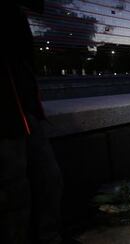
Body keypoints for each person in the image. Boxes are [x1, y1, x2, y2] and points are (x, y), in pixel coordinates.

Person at [0, 1, 66, 243]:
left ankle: (49, 237)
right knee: (14, 194)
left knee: (50, 180)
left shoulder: (15, 14)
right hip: (7, 117)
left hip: (24, 111)